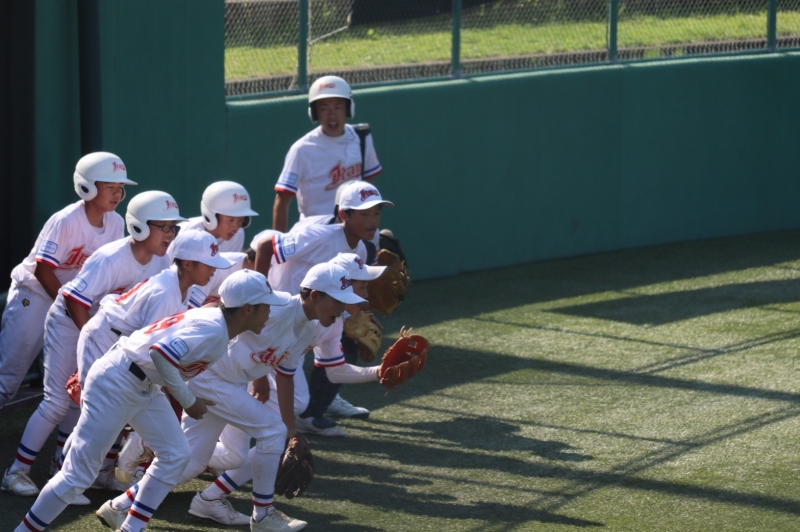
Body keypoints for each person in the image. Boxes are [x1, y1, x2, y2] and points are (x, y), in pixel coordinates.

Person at [11, 269, 279, 532]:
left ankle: (132, 527)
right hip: (118, 381)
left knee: (176, 454)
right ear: (247, 309)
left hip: (140, 380)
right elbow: (160, 354)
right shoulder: (213, 328)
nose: (270, 311)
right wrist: (188, 400)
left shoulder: (215, 321)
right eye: (266, 305)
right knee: (77, 476)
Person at [2, 191, 183, 501]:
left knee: (82, 402)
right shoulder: (111, 256)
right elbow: (74, 300)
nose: (169, 234)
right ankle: (16, 471)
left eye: (173, 228)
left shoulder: (162, 261)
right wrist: (93, 346)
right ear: (139, 225)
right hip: (69, 321)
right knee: (58, 401)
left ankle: (62, 473)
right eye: (163, 226)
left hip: (103, 330)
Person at [254, 180, 394, 436]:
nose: (372, 220)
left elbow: (336, 369)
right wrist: (259, 298)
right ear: (343, 214)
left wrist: (358, 313)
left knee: (294, 389)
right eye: (364, 213)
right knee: (285, 394)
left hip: (310, 319)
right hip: (280, 316)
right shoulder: (320, 236)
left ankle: (275, 425)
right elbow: (265, 247)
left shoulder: (361, 251)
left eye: (376, 213)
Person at [0, 152, 135, 410]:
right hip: (34, 296)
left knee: (72, 377)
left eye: (120, 188)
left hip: (70, 301)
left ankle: (65, 431)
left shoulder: (116, 223)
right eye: (110, 187)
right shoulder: (67, 220)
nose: (118, 194)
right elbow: (42, 270)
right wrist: (68, 306)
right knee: (7, 380)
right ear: (87, 186)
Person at [272, 75, 382, 233]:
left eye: (338, 107)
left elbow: (368, 186)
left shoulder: (361, 137)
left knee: (388, 239)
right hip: (316, 233)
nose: (332, 115)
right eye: (324, 109)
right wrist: (278, 244)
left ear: (349, 108)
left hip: (353, 231)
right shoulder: (301, 149)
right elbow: (282, 201)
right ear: (314, 113)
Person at [174, 181, 258, 254]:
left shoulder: (238, 234)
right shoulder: (186, 232)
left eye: (241, 219)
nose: (236, 227)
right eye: (231, 220)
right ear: (211, 215)